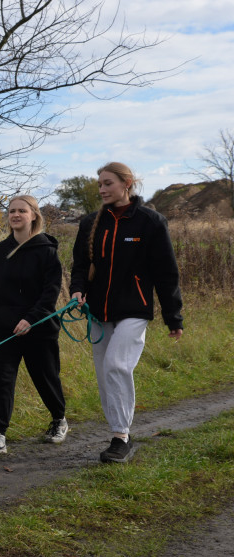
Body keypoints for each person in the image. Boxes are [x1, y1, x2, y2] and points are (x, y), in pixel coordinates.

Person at [70, 162, 183, 463]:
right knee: (104, 373)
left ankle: (121, 438)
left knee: (117, 365)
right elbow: (80, 265)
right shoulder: (90, 223)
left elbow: (166, 273)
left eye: (108, 183)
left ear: (127, 183)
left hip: (134, 308)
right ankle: (118, 432)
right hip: (97, 311)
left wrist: (173, 316)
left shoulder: (150, 222)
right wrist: (77, 290)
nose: (102, 189)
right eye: (100, 184)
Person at [0, 195, 68, 456]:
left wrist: (31, 319)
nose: (16, 215)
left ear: (34, 216)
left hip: (39, 328)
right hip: (5, 329)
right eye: (12, 211)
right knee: (3, 380)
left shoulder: (46, 251)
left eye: (22, 211)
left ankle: (59, 419)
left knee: (45, 376)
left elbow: (50, 293)